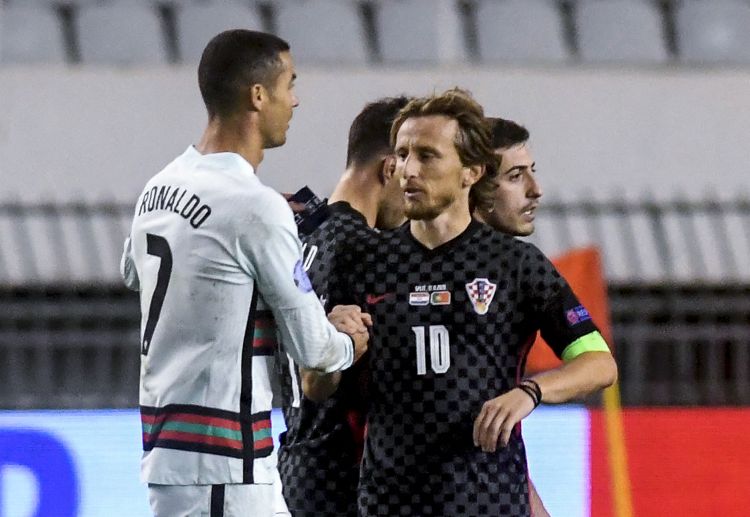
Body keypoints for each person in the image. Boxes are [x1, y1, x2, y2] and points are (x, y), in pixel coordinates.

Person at [307, 88, 617, 516]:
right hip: (389, 505)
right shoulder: (363, 262)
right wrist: (330, 349)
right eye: (402, 154)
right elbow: (316, 388)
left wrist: (531, 391)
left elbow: (599, 363)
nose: (408, 169)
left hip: (490, 503)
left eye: (427, 156)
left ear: (471, 172)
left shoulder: (515, 264)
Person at [119, 29, 369, 517]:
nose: (295, 101)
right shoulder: (253, 207)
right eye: (289, 84)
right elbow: (315, 349)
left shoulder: (160, 185)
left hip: (177, 450)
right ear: (258, 96)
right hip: (224, 466)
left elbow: (134, 271)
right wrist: (347, 339)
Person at [276, 96, 410, 516]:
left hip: (294, 465)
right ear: (390, 168)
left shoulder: (299, 238)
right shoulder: (367, 248)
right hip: (343, 479)